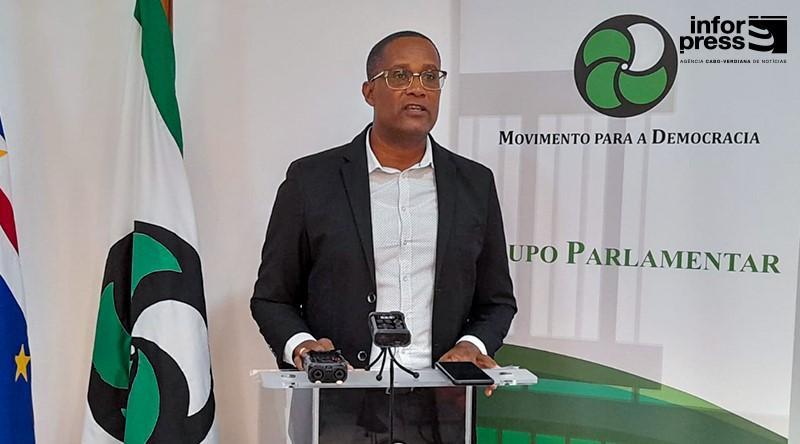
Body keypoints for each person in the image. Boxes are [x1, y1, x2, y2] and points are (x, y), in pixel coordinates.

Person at [251, 30, 516, 382]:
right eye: (400, 75)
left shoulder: (474, 183)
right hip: (341, 389)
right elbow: (272, 299)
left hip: (442, 393)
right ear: (369, 92)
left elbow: (497, 302)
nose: (418, 88)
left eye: (430, 76)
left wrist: (472, 346)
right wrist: (304, 347)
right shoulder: (311, 181)